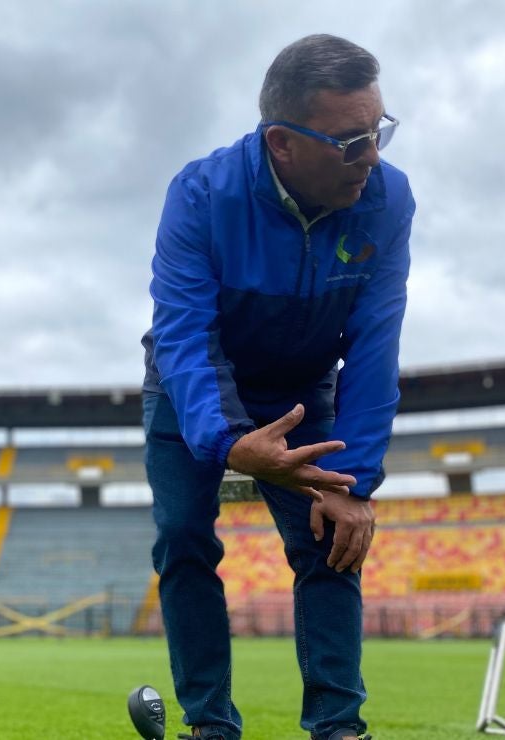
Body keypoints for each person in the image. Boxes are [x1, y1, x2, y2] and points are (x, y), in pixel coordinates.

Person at [141, 34, 415, 740]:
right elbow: (184, 331)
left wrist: (352, 483)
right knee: (183, 537)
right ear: (282, 144)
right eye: (350, 142)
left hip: (299, 392)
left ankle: (338, 725)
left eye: (378, 131)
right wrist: (228, 441)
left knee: (332, 537)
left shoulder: (387, 200)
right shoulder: (201, 195)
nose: (372, 158)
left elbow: (377, 346)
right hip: (190, 391)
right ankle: (209, 724)